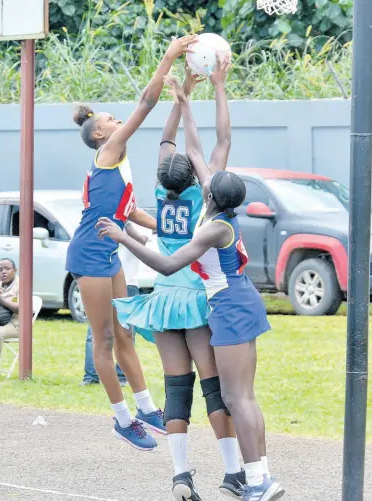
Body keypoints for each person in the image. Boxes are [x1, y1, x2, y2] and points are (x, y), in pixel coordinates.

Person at [97, 76, 284, 501]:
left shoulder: (163, 193)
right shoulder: (208, 206)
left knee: (176, 388)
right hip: (200, 302)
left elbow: (171, 145)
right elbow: (215, 145)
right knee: (220, 391)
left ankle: (181, 475)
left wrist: (181, 98)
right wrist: (208, 90)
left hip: (163, 299)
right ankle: (237, 472)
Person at [65, 35, 199, 451]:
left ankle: (145, 408)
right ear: (101, 133)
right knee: (103, 339)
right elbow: (145, 102)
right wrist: (169, 55)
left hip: (108, 250)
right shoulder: (110, 149)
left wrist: (174, 227)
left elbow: (131, 213)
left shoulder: (117, 162)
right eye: (109, 117)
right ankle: (122, 419)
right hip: (89, 253)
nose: (115, 117)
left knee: (127, 333)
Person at [80, 222, 149, 387]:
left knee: (125, 332)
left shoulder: (137, 222)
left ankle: (122, 374)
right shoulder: (100, 221)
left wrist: (125, 223)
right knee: (96, 331)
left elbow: (142, 241)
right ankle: (91, 376)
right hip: (103, 280)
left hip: (128, 282)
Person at [0, 259, 19, 372]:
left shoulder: (22, 285)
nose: (3, 272)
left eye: (7, 269)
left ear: (15, 270)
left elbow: (20, 309)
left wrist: (0, 300)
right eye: (0, 270)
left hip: (16, 325)